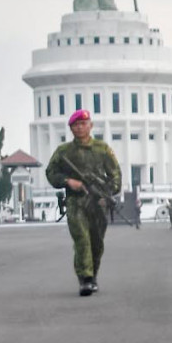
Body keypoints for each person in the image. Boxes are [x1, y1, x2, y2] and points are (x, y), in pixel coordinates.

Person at [45, 109, 121, 296]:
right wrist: (67, 181)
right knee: (82, 240)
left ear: (90, 126)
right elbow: (51, 172)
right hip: (75, 202)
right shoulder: (64, 152)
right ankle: (85, 278)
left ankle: (93, 275)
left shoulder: (102, 149)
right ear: (71, 128)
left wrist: (107, 194)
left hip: (98, 203)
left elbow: (115, 176)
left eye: (83, 124)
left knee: (97, 242)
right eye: (76, 125)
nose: (80, 128)